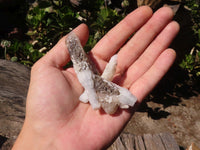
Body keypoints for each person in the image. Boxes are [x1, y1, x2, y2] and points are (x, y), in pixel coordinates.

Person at [12, 6, 179, 150]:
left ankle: (101, 96)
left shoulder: (89, 73)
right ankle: (99, 96)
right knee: (95, 88)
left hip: (90, 77)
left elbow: (102, 81)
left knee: (99, 89)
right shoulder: (84, 70)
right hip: (87, 75)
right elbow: (97, 80)